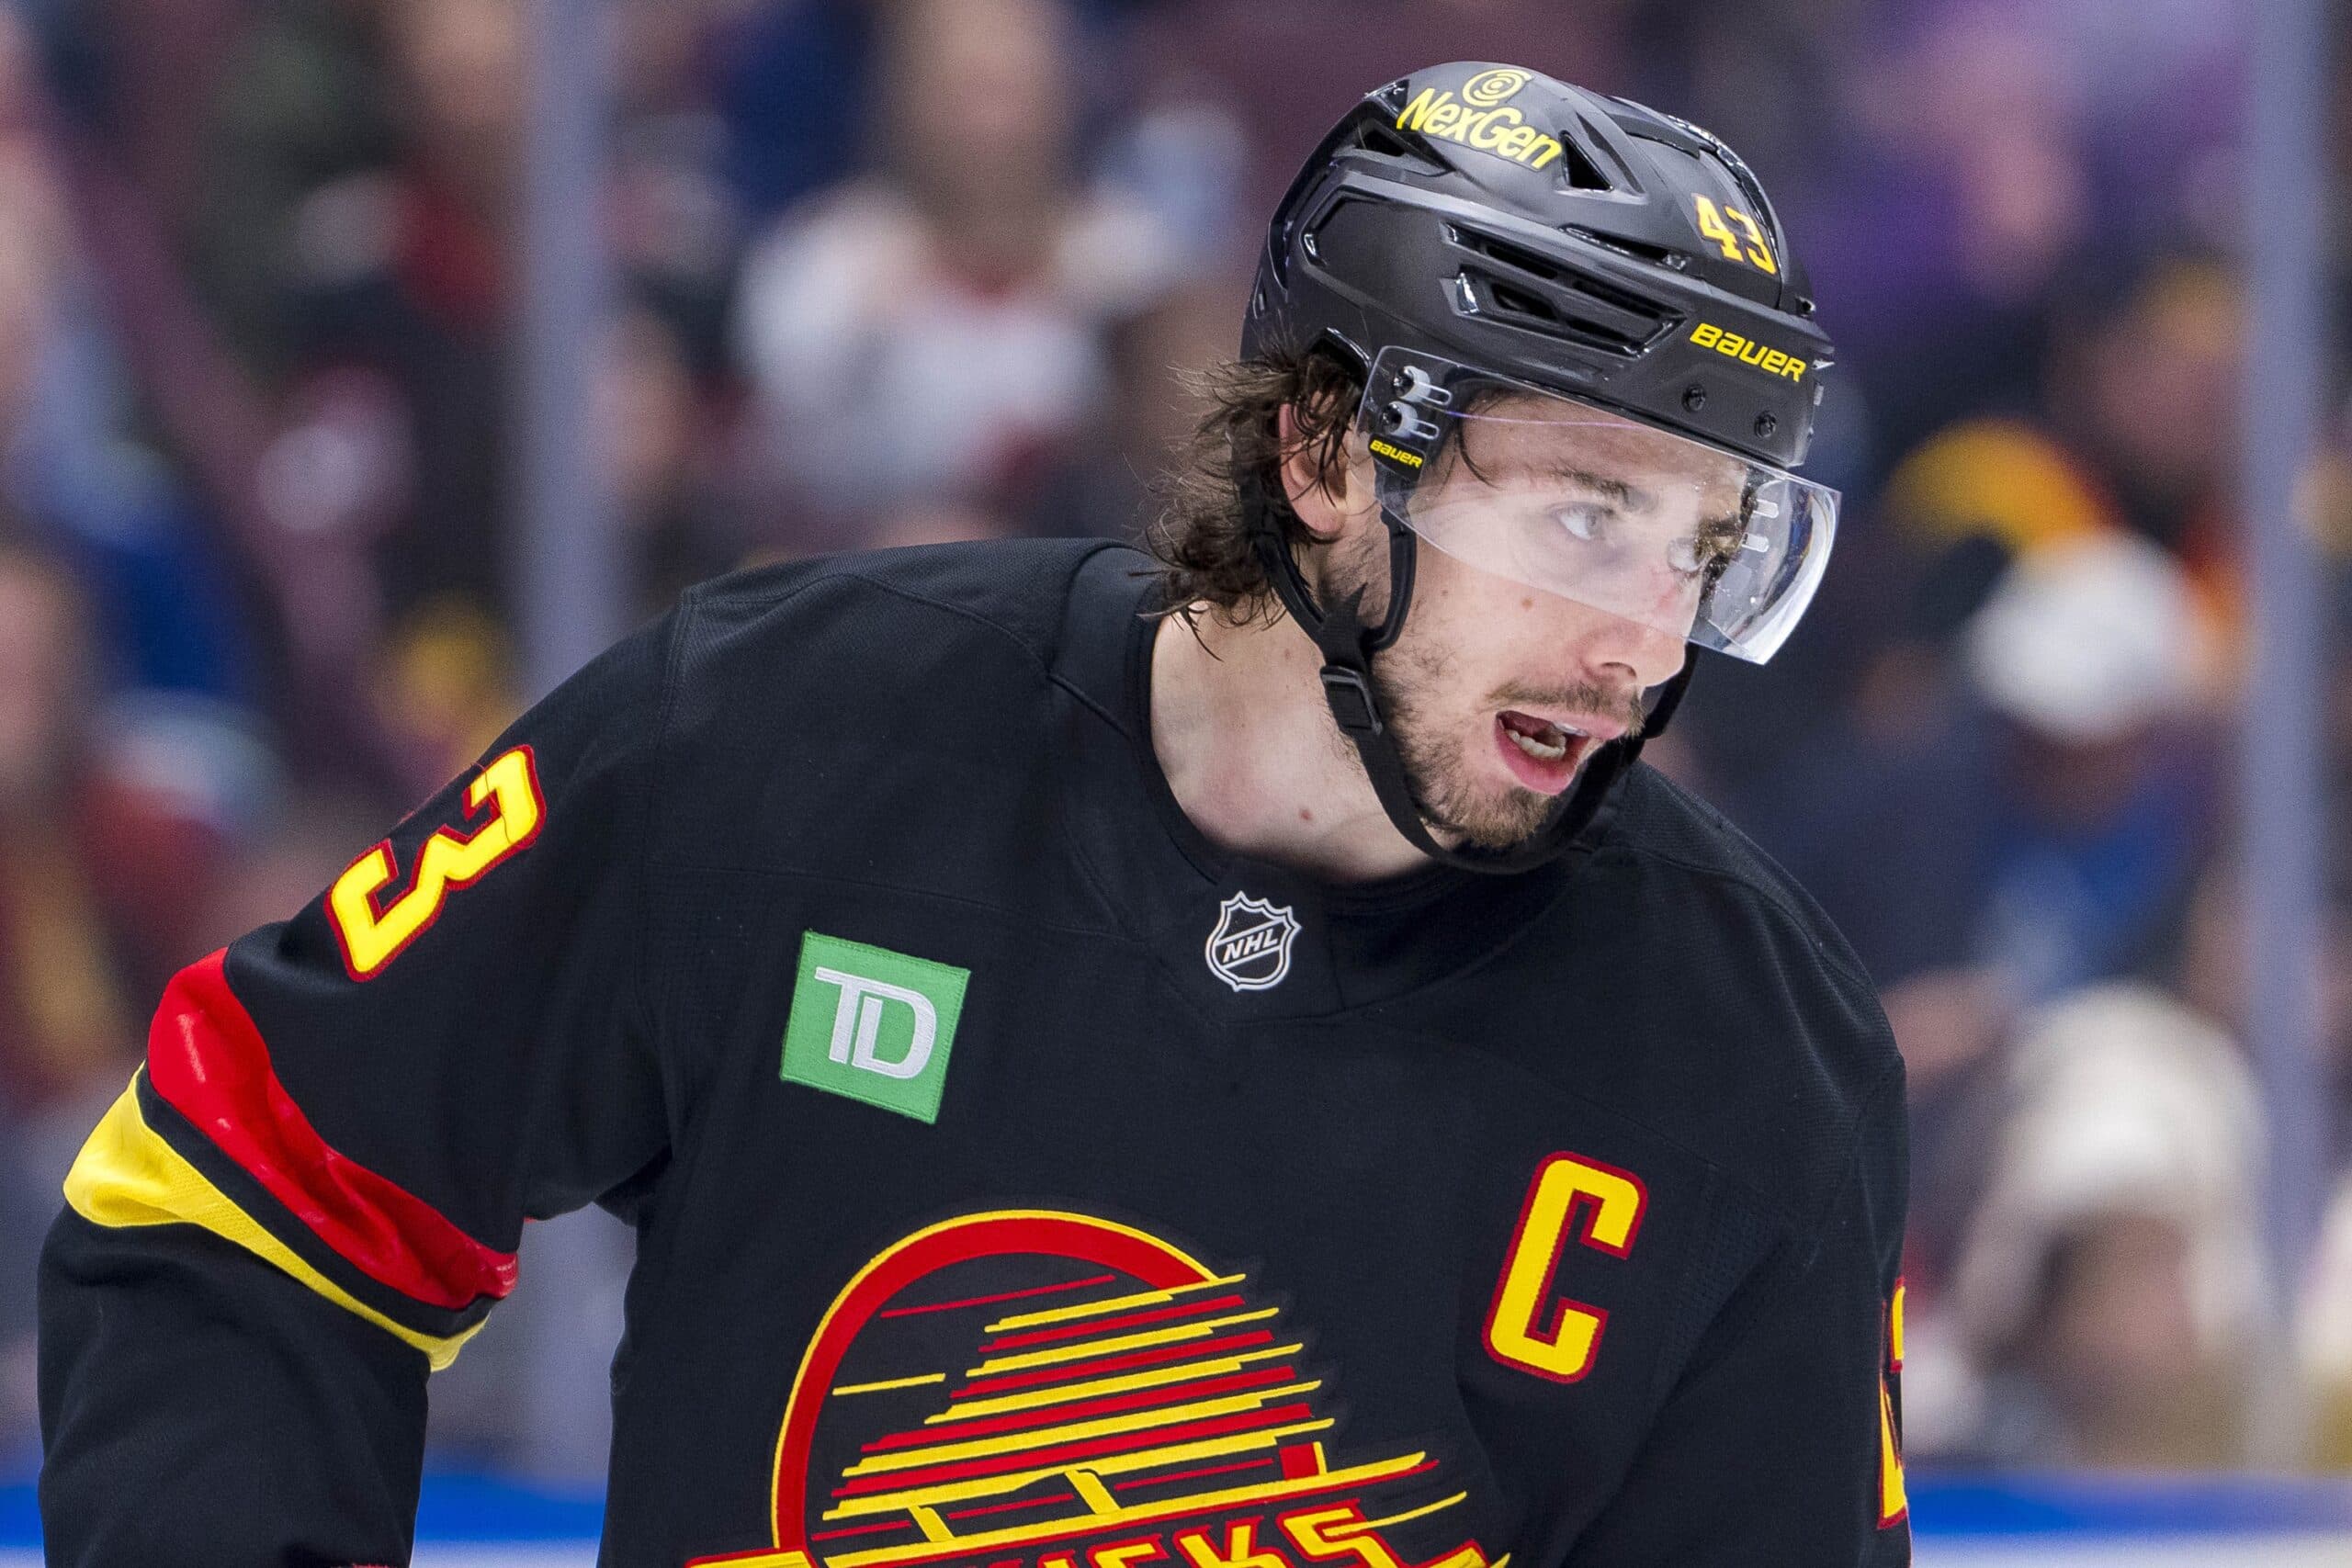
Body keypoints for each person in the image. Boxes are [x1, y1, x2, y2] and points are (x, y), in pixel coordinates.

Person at [38, 63, 1908, 1566]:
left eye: (1706, 548)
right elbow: (240, 1192)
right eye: (1586, 514)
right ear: (1324, 448)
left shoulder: (1751, 1057)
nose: (1637, 646)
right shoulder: (782, 739)